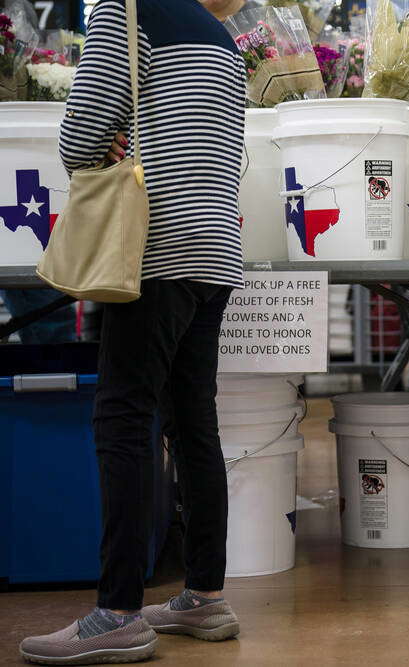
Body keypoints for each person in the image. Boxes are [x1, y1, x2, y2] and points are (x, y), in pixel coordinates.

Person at [20, 0, 247, 663]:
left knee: (122, 415)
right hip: (213, 246)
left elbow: (80, 136)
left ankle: (117, 609)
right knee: (192, 420)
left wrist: (110, 136)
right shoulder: (219, 32)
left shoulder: (128, 13)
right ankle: (205, 594)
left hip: (154, 242)